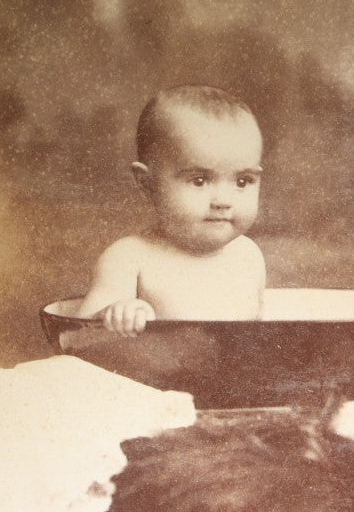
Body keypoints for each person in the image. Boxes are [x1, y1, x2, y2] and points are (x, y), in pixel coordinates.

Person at [78, 85, 265, 335]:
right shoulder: (129, 258)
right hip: (142, 373)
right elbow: (79, 333)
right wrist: (114, 313)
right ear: (146, 183)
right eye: (199, 180)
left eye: (242, 181)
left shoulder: (249, 256)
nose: (223, 200)